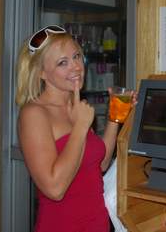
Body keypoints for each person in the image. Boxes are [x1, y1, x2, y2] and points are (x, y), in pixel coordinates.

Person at [15, 25, 135, 232]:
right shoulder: (34, 113)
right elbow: (54, 188)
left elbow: (100, 164)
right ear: (42, 72)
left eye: (77, 56)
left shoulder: (77, 107)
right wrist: (80, 126)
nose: (76, 67)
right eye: (63, 62)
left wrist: (115, 117)